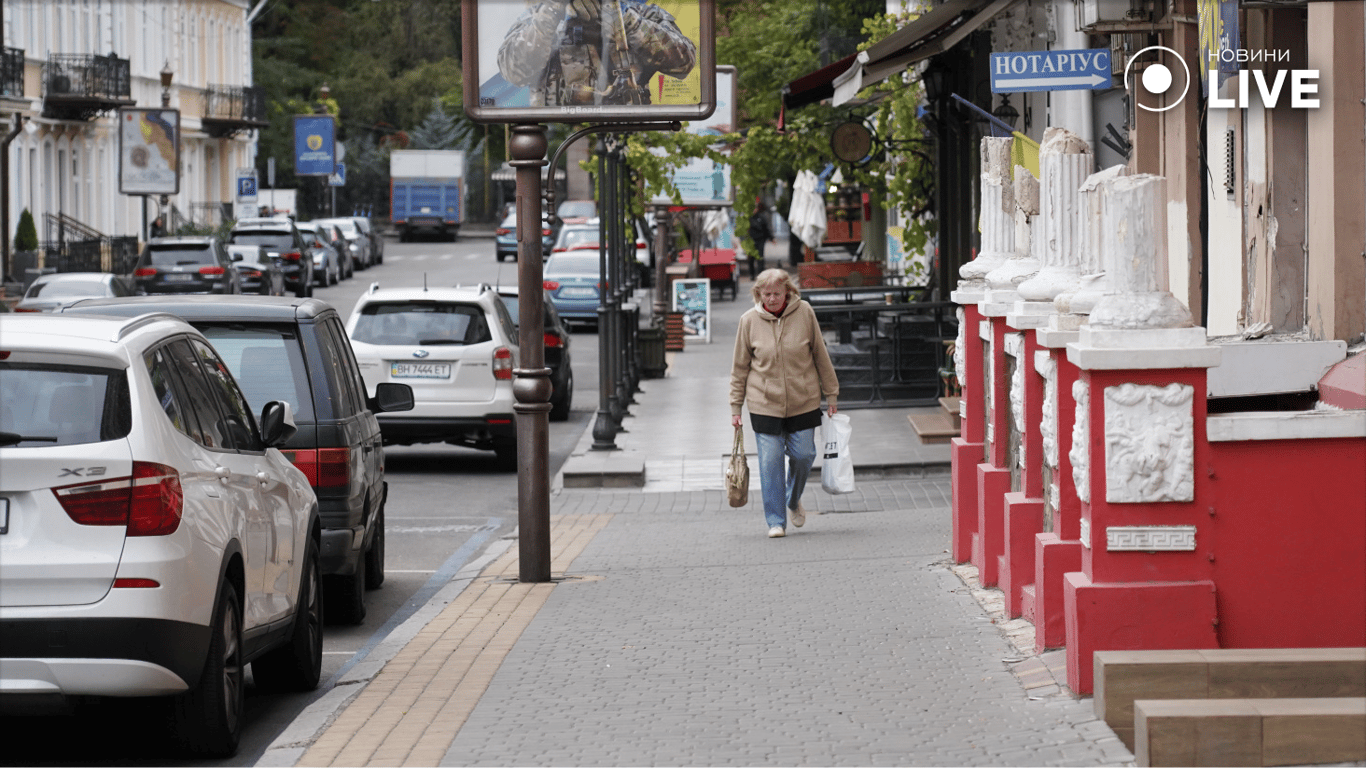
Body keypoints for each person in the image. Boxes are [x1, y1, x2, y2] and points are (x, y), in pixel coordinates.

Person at [729, 269, 839, 538]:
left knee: (804, 455)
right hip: (764, 402)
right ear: (758, 294)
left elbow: (820, 354)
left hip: (804, 399)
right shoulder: (748, 321)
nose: (772, 298)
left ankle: (792, 498)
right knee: (770, 463)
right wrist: (735, 407)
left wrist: (832, 393)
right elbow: (739, 368)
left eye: (777, 293)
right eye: (766, 293)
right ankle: (776, 521)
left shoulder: (805, 313)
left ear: (788, 292)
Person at [498, 0, 697, 107]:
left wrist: (624, 19)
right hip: (558, 137)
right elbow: (513, 71)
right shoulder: (539, 15)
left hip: (626, 132)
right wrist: (553, 10)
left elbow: (683, 62)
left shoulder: (641, 13)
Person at [746, 204, 773, 280]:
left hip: (760, 240)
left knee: (760, 258)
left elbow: (766, 229)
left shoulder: (761, 218)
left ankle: (761, 275)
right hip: (750, 241)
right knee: (751, 259)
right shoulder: (748, 218)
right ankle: (752, 274)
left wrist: (771, 238)